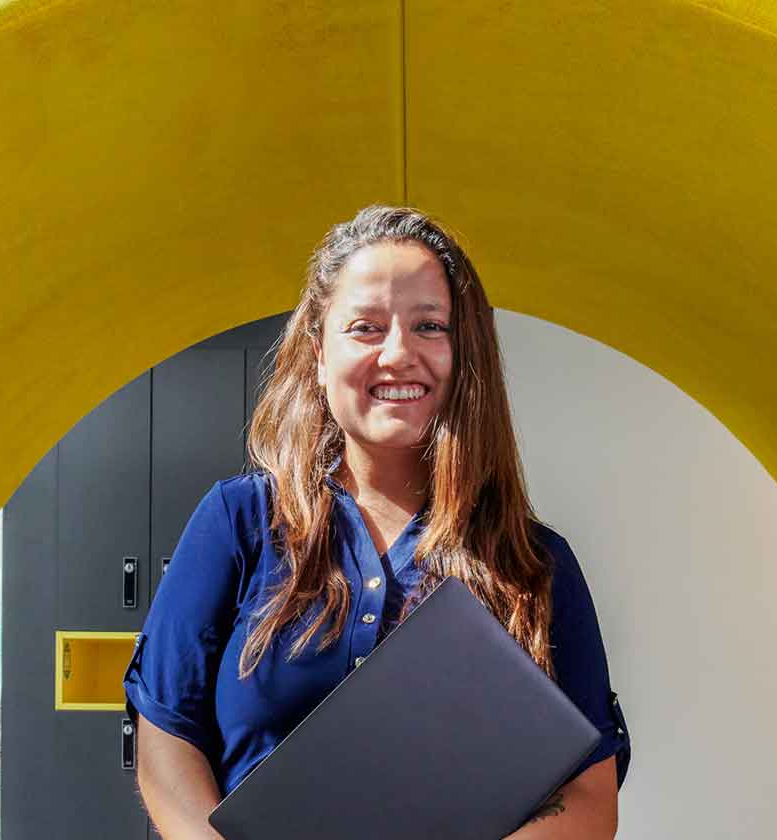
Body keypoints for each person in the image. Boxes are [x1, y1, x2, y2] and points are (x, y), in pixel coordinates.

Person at [122, 205, 631, 839]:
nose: (398, 354)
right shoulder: (238, 522)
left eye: (429, 326)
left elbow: (588, 798)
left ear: (463, 351)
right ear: (317, 352)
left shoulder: (533, 564)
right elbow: (167, 739)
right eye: (364, 327)